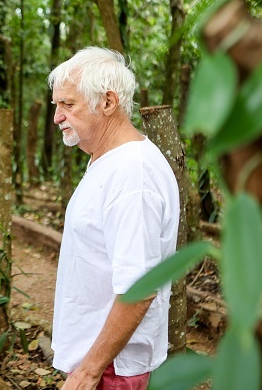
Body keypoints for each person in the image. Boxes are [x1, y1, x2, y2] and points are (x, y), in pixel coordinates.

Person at [48, 47, 180, 390]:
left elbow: (138, 288)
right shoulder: (107, 160)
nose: (57, 117)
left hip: (110, 369)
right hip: (97, 360)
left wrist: (90, 371)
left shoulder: (132, 175)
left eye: (68, 104)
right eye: (56, 105)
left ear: (107, 103)